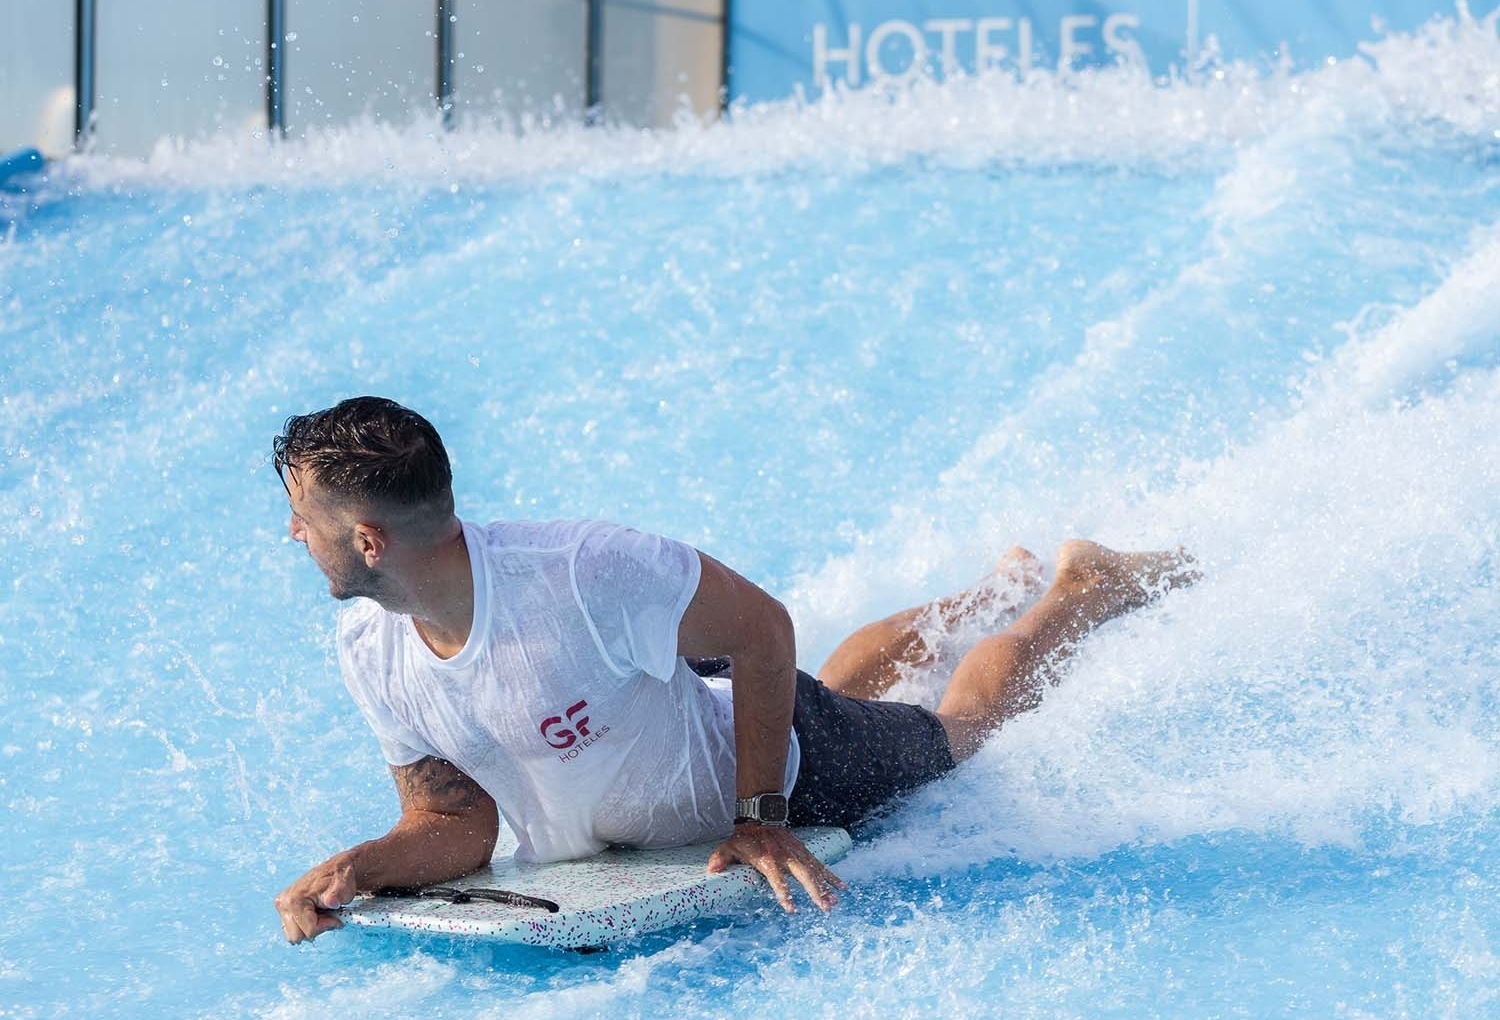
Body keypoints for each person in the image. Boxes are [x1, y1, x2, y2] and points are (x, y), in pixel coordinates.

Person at [273, 398, 1193, 945]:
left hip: (793, 758)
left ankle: (1075, 587)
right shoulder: (371, 647)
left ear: (367, 539)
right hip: (679, 703)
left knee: (962, 730)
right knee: (828, 682)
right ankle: (992, 590)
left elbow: (760, 629)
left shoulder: (582, 572)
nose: (292, 536)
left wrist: (762, 818)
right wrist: (365, 866)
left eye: (301, 520)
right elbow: (453, 822)